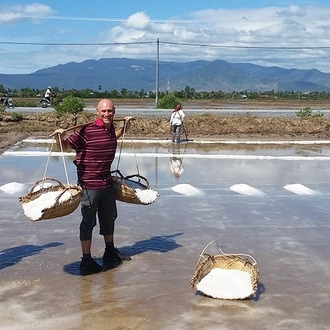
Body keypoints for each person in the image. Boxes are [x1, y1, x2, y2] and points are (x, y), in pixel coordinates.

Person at [53, 99, 133, 276]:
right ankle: (86, 260)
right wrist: (60, 137)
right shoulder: (86, 130)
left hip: (107, 182)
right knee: (88, 222)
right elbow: (65, 145)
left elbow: (115, 136)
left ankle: (110, 252)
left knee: (109, 217)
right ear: (97, 112)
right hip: (89, 184)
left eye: (110, 111)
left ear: (114, 112)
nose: (106, 114)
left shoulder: (110, 129)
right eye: (103, 111)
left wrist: (126, 126)